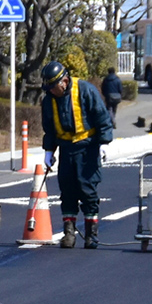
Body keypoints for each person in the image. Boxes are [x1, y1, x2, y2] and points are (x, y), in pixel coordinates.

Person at [40, 61, 114, 249]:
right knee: (67, 191)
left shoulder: (85, 91)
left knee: (88, 191)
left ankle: (91, 235)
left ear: (64, 81)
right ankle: (69, 234)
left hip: (87, 149)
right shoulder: (49, 100)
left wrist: (104, 144)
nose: (51, 91)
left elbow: (102, 117)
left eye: (53, 87)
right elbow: (49, 128)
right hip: (66, 149)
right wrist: (49, 151)